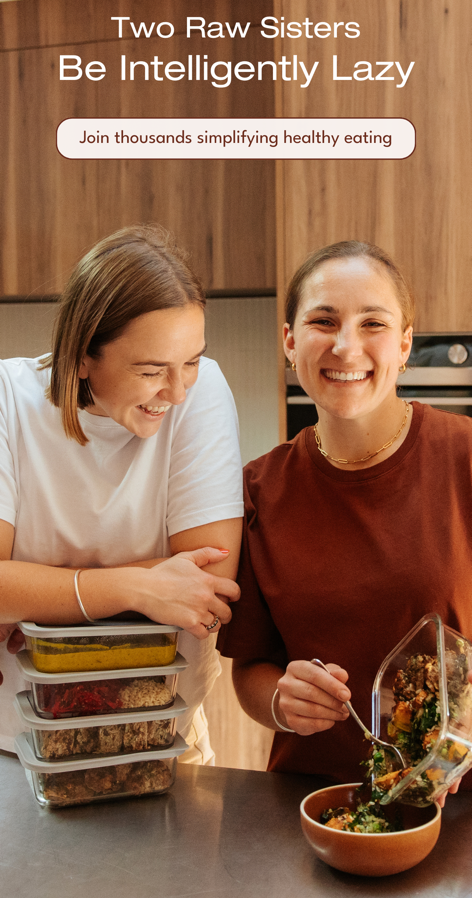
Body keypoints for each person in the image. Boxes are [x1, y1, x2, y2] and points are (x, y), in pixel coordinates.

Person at [218, 240, 472, 798]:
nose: (346, 345)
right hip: (313, 809)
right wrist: (283, 702)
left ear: (405, 343)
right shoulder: (258, 489)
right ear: (290, 341)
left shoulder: (465, 457)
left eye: (373, 323)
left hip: (456, 811)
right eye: (323, 320)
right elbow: (251, 669)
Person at [0, 225, 243, 762]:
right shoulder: (8, 401)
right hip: (21, 747)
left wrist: (36, 600)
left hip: (162, 739)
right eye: (152, 370)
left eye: (192, 361)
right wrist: (139, 587)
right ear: (82, 356)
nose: (177, 392)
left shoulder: (200, 395)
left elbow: (208, 586)